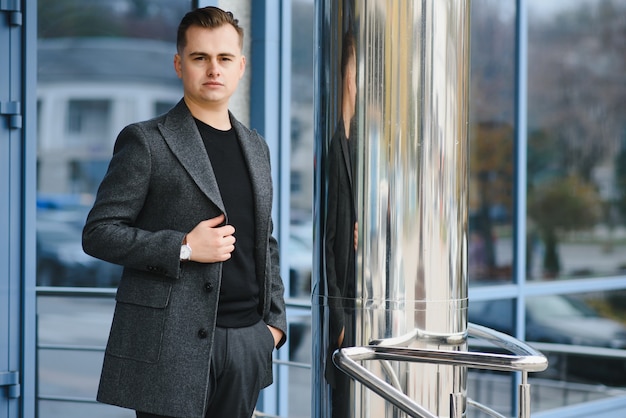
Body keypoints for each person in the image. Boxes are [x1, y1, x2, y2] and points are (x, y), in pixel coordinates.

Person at [82, 6, 287, 418]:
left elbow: (265, 239)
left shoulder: (256, 146)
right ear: (180, 64)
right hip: (169, 350)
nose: (214, 69)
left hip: (248, 342)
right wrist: (184, 248)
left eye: (224, 58)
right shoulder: (145, 141)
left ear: (241, 66)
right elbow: (99, 232)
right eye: (200, 57)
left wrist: (273, 328)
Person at [324, 28, 358, 418]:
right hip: (346, 319)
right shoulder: (335, 147)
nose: (355, 84)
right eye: (352, 73)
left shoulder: (364, 146)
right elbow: (326, 242)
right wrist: (338, 322)